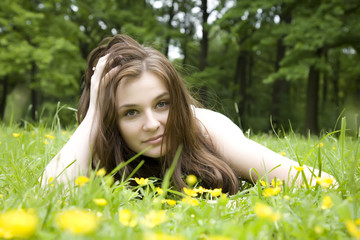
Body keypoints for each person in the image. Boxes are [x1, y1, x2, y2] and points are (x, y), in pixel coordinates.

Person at [41, 34, 335, 194]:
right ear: (111, 122)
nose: (153, 124)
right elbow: (51, 197)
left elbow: (319, 183)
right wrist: (94, 113)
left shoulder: (207, 130)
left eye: (162, 104)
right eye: (130, 112)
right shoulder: (103, 144)